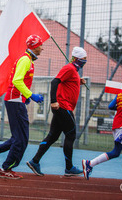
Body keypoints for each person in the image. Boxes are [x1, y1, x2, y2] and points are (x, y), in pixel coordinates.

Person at [0, 35, 44, 179]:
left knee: (19, 137)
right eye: (40, 45)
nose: (42, 47)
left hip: (16, 100)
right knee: (21, 139)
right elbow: (16, 80)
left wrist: (25, 97)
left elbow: (18, 81)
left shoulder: (27, 60)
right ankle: (5, 168)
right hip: (14, 101)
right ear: (34, 46)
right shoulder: (25, 60)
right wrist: (30, 95)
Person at [82, 70, 122, 189]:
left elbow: (111, 106)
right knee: (116, 152)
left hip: (118, 124)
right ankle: (89, 164)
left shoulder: (121, 91)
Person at [27, 46, 87, 177]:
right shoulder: (69, 68)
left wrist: (78, 82)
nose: (85, 61)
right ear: (77, 59)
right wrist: (53, 101)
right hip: (63, 107)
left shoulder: (74, 72)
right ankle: (69, 168)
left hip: (64, 107)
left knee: (53, 136)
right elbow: (55, 82)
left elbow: (68, 83)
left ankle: (35, 161)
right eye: (83, 59)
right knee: (70, 135)